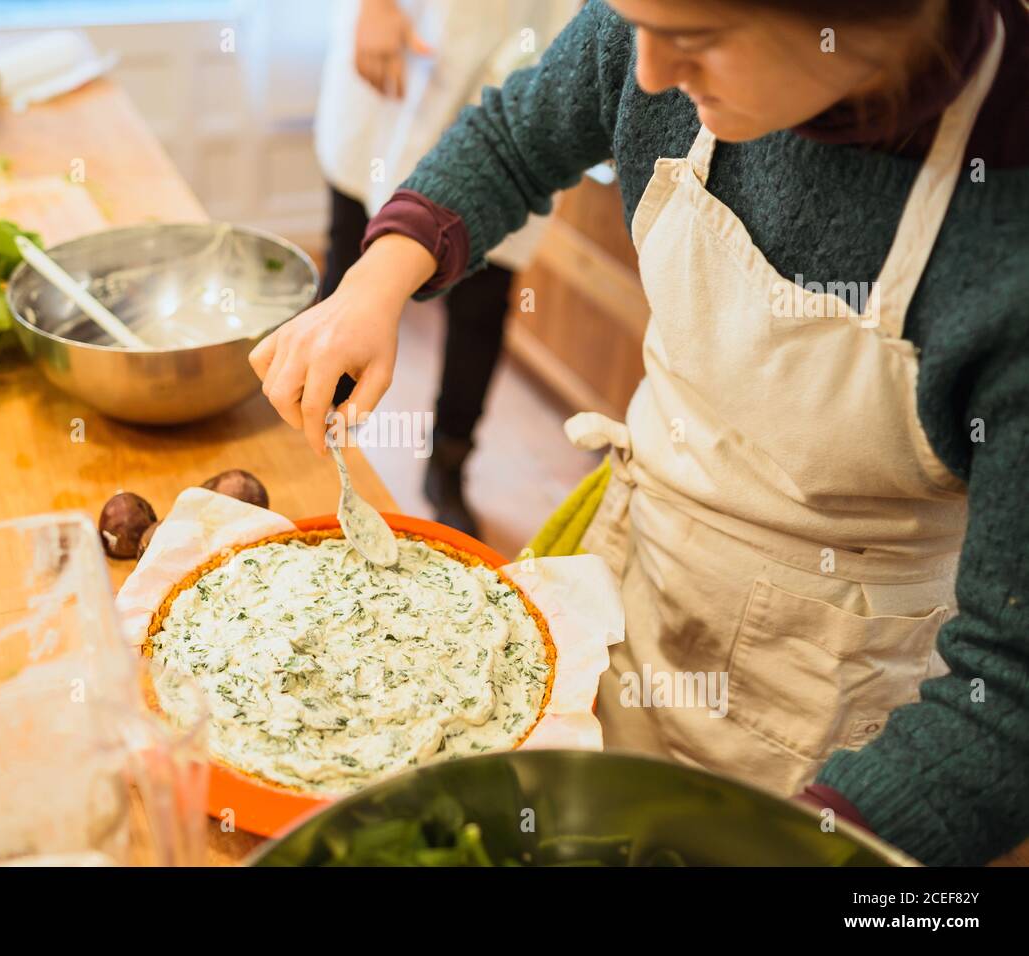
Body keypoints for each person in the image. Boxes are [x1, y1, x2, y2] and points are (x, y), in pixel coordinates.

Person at [252, 0, 1029, 866]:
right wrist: (376, 280)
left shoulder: (1004, 251)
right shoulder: (651, 25)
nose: (646, 71)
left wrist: (791, 847)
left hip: (841, 711)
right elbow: (516, 138)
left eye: (696, 44)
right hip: (634, 581)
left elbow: (1007, 697)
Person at [314, 0, 574, 535]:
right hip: (402, 63)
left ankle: (449, 466)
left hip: (519, 63)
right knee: (347, 262)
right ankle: (319, 441)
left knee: (482, 302)